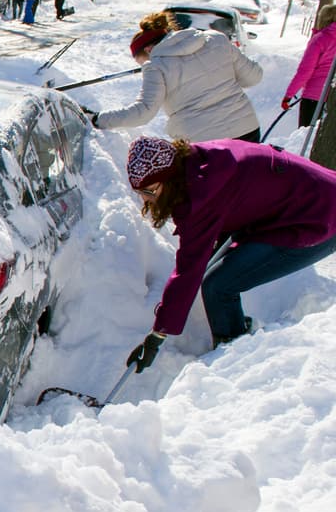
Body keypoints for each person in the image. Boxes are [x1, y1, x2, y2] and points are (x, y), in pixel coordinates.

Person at [123, 136, 336, 372]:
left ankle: (235, 363)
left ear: (169, 178)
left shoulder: (199, 195)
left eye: (149, 191)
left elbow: (188, 271)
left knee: (218, 286)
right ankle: (237, 343)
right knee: (218, 278)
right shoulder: (202, 160)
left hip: (316, 219)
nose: (145, 199)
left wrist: (158, 334)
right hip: (317, 197)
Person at [93, 12, 263, 142]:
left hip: (205, 142)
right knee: (248, 186)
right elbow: (254, 77)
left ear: (148, 50)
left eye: (140, 62)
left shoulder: (156, 66)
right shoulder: (216, 40)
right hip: (248, 132)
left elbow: (143, 113)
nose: (143, 66)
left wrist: (98, 119)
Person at [283, 4, 336, 127]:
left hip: (314, 96)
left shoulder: (320, 39)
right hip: (332, 97)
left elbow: (305, 71)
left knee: (305, 135)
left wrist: (288, 96)